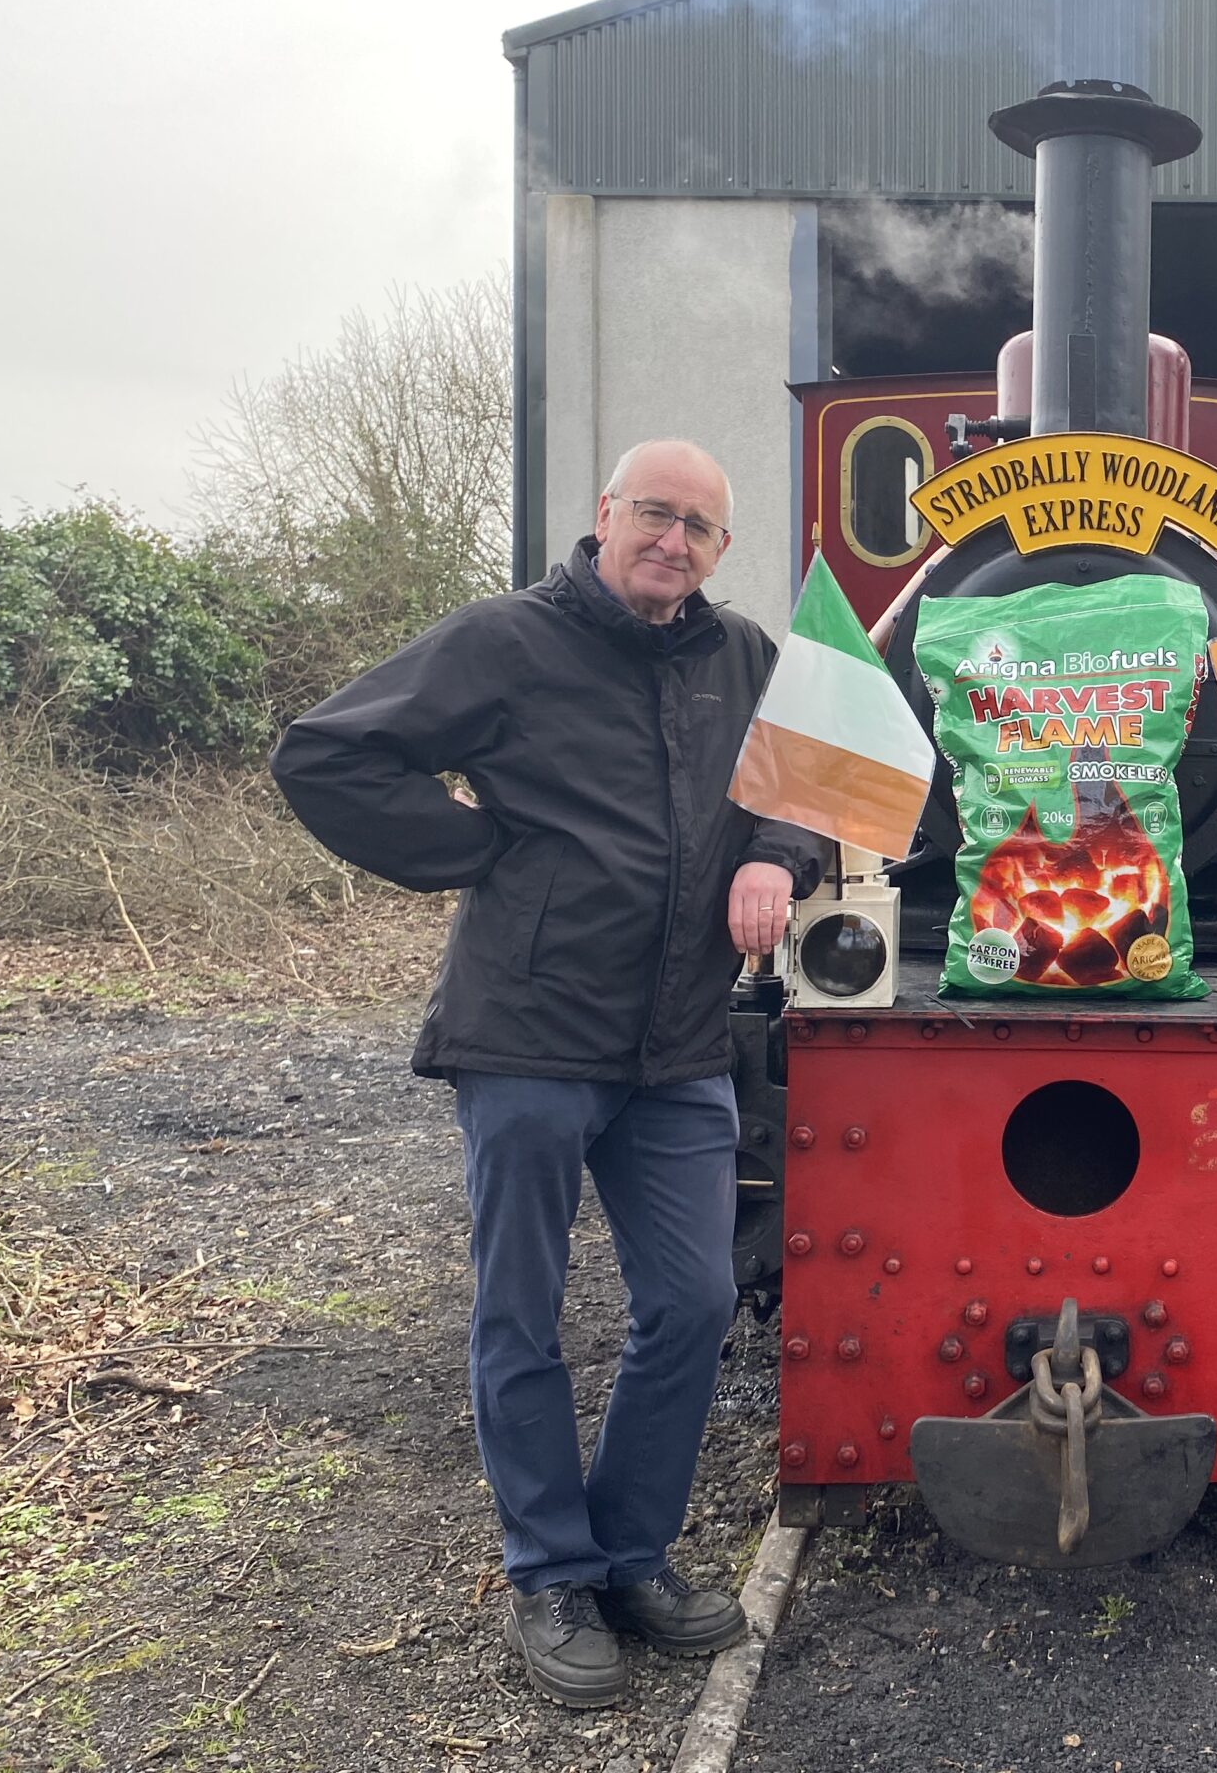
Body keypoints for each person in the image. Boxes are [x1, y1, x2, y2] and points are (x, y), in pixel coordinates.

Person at [272, 440, 821, 1707]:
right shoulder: (503, 641)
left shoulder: (739, 656)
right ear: (604, 516)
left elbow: (798, 781)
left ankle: (631, 1556)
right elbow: (325, 754)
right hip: (528, 1034)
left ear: (719, 550)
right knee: (518, 1311)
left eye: (698, 526)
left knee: (688, 1302)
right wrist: (479, 855)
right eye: (653, 515)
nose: (672, 541)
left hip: (680, 1044)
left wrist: (777, 859)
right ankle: (551, 1572)